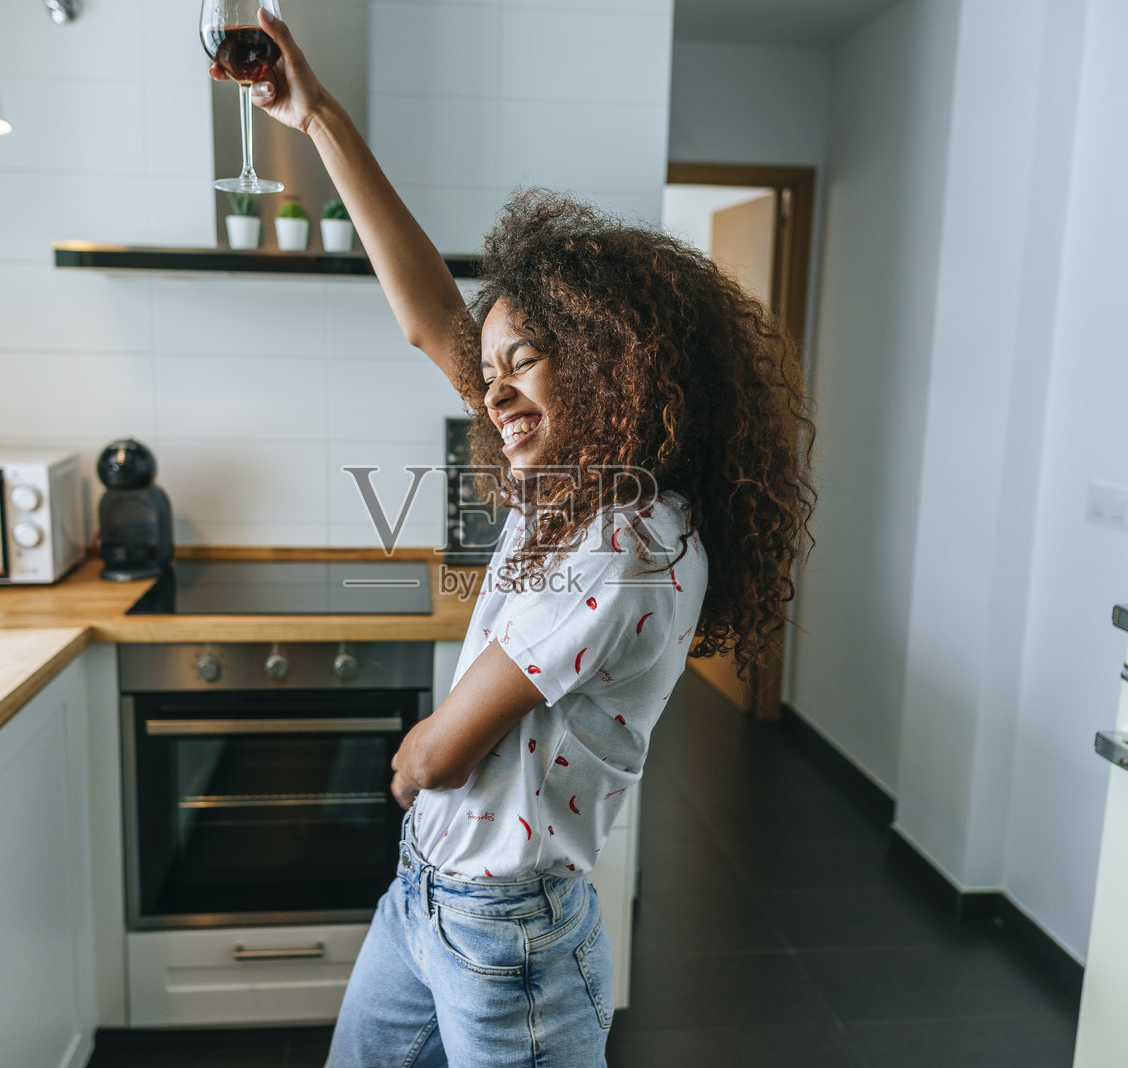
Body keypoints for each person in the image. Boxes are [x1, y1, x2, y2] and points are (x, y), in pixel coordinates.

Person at [219, 10, 815, 1066]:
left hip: (509, 936)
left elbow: (445, 751)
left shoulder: (631, 535)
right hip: (426, 895)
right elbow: (427, 317)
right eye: (489, 369)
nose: (492, 391)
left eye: (523, 360)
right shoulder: (578, 487)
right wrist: (317, 119)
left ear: (613, 365)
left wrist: (407, 761)